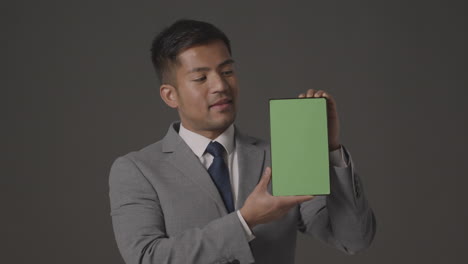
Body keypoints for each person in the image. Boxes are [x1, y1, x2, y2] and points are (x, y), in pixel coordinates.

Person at [109, 19, 376, 264]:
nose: (220, 86)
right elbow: (146, 258)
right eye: (201, 78)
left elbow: (353, 239)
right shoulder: (137, 170)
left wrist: (330, 150)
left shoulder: (279, 158)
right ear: (170, 95)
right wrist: (245, 221)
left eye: (227, 72)